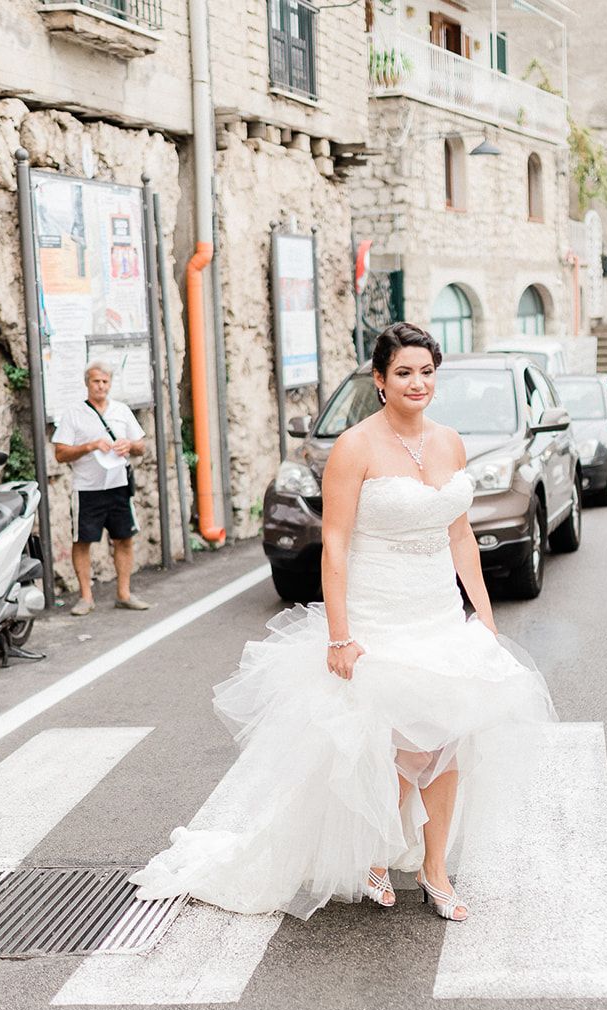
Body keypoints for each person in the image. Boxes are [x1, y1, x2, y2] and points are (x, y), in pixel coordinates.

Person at [131, 322, 555, 921]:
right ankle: (376, 851)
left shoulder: (451, 443)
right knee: (387, 745)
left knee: (449, 739)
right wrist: (340, 633)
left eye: (427, 372)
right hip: (378, 613)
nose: (417, 383)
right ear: (380, 381)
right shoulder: (354, 447)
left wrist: (481, 616)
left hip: (437, 612)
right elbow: (335, 545)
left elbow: (458, 533)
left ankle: (435, 871)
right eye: (404, 372)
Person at [51, 361, 151, 616]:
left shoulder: (121, 410)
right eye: (96, 381)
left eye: (105, 381)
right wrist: (91, 445)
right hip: (86, 488)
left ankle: (124, 593)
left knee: (124, 538)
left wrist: (128, 444)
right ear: (87, 383)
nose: (101, 386)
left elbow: (141, 446)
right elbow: (60, 453)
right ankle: (86, 597)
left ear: (110, 383)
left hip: (118, 485)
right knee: (83, 540)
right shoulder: (74, 413)